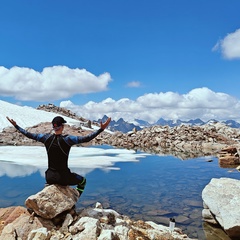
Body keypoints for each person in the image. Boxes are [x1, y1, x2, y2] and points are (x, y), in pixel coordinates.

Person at [6, 115, 111, 197]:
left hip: (49, 177)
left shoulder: (45, 138)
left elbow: (28, 134)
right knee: (83, 181)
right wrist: (100, 129)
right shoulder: (67, 139)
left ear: (54, 127)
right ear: (63, 126)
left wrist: (16, 126)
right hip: (63, 177)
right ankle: (76, 197)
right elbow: (86, 139)